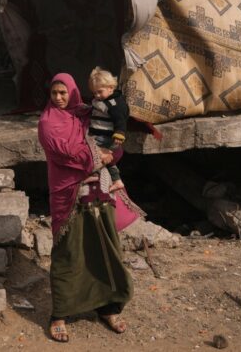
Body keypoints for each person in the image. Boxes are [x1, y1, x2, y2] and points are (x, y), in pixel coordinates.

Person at [38, 73, 137, 343]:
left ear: (73, 92)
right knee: (68, 253)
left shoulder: (87, 113)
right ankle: (59, 314)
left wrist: (110, 153)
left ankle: (108, 307)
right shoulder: (48, 122)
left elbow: (114, 141)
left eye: (63, 92)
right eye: (54, 93)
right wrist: (100, 157)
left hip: (99, 190)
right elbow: (65, 154)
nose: (59, 98)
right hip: (68, 194)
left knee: (105, 248)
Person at [87, 67, 129, 192]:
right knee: (109, 162)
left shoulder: (114, 104)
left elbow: (120, 119)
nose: (97, 95)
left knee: (90, 150)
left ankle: (94, 173)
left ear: (111, 88)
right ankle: (117, 181)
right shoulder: (102, 100)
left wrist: (119, 133)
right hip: (99, 134)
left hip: (105, 137)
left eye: (100, 92)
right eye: (94, 93)